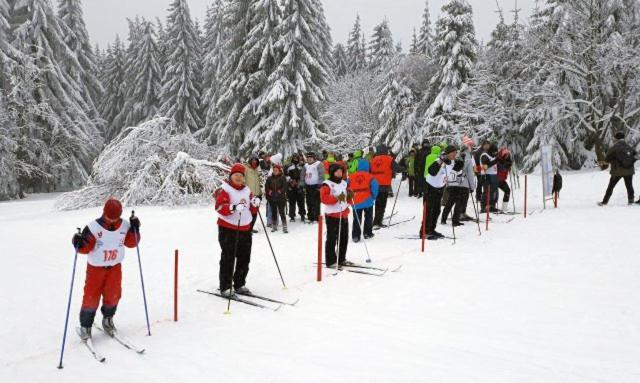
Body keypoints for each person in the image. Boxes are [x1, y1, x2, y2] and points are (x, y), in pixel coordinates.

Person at [71, 198, 141, 340]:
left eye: (116, 218)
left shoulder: (124, 226)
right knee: (91, 297)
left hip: (115, 267)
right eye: (110, 218)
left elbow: (132, 243)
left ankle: (108, 320)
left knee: (113, 295)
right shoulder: (93, 227)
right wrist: (77, 241)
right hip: (96, 269)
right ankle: (86, 326)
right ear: (104, 213)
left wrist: (135, 229)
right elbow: (84, 249)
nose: (113, 221)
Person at [214, 163, 260, 297]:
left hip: (245, 228)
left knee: (244, 258)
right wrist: (233, 208)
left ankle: (239, 284)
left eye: (241, 175)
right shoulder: (225, 189)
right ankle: (225, 286)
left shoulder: (246, 190)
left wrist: (255, 203)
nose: (239, 178)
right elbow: (219, 207)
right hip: (228, 229)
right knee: (228, 258)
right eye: (236, 175)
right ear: (231, 176)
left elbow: (252, 208)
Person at [320, 163, 354, 268]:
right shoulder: (327, 184)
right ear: (332, 172)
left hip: (343, 214)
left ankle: (341, 258)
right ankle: (331, 261)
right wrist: (337, 198)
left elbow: (347, 197)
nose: (339, 173)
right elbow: (323, 198)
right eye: (337, 171)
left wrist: (350, 195)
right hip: (332, 215)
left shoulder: (344, 183)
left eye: (341, 171)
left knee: (344, 238)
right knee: (332, 238)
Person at [421, 145, 457, 240]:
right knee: (429, 210)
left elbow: (458, 169)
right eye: (453, 152)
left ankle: (431, 229)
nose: (455, 154)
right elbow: (431, 171)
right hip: (430, 186)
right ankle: (424, 231)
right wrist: (440, 160)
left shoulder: (451, 162)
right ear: (448, 153)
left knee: (437, 210)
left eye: (455, 152)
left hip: (440, 187)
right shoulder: (439, 159)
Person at [599, 131, 637, 206]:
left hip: (617, 171)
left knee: (611, 186)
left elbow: (607, 160)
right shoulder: (629, 147)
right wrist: (628, 163)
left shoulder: (614, 148)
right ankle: (631, 201)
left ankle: (604, 202)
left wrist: (605, 162)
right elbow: (636, 156)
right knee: (629, 186)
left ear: (616, 139)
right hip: (629, 171)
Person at [441, 149, 476, 226]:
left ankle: (443, 218)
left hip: (452, 183)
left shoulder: (454, 159)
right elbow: (470, 174)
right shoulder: (468, 160)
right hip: (463, 184)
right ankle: (455, 220)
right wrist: (472, 186)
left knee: (450, 201)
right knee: (459, 203)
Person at [348, 159, 379, 242]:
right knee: (368, 218)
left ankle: (356, 236)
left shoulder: (351, 176)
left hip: (356, 202)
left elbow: (346, 187)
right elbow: (375, 187)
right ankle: (367, 233)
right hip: (368, 201)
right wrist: (373, 196)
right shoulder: (370, 176)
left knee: (357, 219)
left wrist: (349, 198)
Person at [371, 145, 399, 228]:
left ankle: (376, 219)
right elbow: (397, 168)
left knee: (377, 203)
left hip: (375, 185)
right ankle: (378, 221)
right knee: (382, 203)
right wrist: (404, 169)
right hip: (384, 185)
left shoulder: (373, 160)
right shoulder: (389, 159)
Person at [265, 164, 288, 233]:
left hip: (281, 198)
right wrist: (270, 192)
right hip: (272, 198)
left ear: (279, 171)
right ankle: (274, 224)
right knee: (274, 212)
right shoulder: (269, 178)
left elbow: (285, 186)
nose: (275, 171)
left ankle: (284, 225)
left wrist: (279, 191)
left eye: (276, 170)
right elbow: (266, 187)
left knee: (281, 212)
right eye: (274, 170)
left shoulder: (282, 177)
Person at [302, 152, 324, 222]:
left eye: (311, 157)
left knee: (316, 202)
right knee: (309, 202)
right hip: (308, 186)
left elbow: (321, 175)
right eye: (308, 158)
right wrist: (302, 185)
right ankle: (310, 217)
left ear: (314, 158)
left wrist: (320, 185)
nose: (309, 159)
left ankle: (317, 217)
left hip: (316, 186)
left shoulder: (318, 164)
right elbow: (302, 175)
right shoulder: (305, 165)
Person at [244, 157, 263, 233]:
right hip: (249, 195)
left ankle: (251, 228)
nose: (254, 162)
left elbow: (258, 183)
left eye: (256, 161)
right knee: (248, 213)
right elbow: (243, 181)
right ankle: (247, 228)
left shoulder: (256, 170)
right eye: (253, 161)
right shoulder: (246, 169)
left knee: (255, 213)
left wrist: (260, 193)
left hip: (257, 195)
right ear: (250, 161)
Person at [286, 153, 306, 222]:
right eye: (294, 158)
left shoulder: (302, 166)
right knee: (292, 202)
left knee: (301, 202)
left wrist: (300, 182)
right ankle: (292, 216)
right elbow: (286, 175)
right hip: (291, 186)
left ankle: (302, 215)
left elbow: (304, 175)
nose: (295, 159)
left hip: (300, 186)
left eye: (297, 158)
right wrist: (291, 181)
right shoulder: (289, 166)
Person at [480, 144, 499, 213]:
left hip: (493, 175)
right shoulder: (485, 155)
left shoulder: (493, 156)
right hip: (486, 175)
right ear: (491, 151)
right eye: (494, 152)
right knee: (487, 192)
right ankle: (483, 207)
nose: (495, 154)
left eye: (496, 152)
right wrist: (495, 161)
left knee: (494, 192)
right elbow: (486, 165)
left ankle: (491, 206)